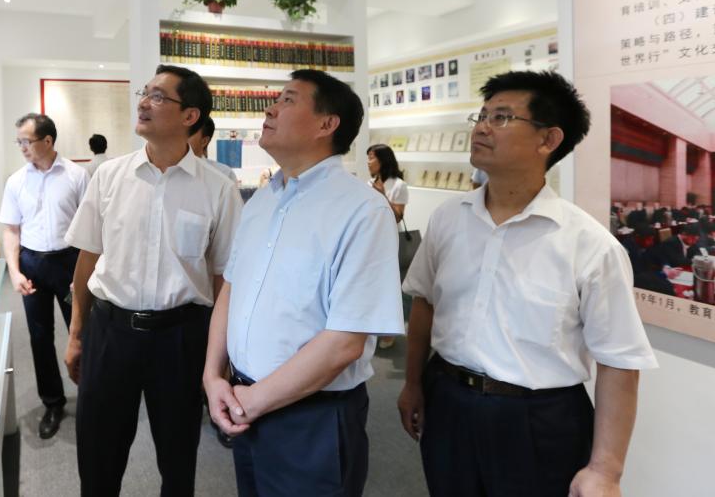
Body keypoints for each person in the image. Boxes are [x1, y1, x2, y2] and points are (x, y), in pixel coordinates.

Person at [399, 70, 657, 497]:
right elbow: (424, 302)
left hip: (538, 420)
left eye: (501, 117)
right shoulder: (448, 219)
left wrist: (606, 470)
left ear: (548, 140)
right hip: (447, 401)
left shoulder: (589, 245)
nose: (482, 128)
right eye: (481, 116)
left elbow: (619, 361)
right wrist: (412, 383)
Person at [204, 70, 403, 497]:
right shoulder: (262, 200)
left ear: (327, 124)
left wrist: (251, 401)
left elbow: (344, 342)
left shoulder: (363, 211)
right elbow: (231, 290)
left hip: (312, 417)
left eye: (288, 100)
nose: (270, 108)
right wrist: (212, 377)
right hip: (243, 399)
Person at [64, 65, 242, 497]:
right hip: (111, 331)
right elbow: (87, 260)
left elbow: (225, 279)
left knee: (178, 459)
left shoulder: (218, 189)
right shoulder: (109, 176)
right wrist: (76, 334)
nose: (143, 102)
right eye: (144, 93)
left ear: (190, 116)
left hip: (181, 338)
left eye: (158, 96)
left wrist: (220, 359)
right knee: (98, 457)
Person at [0, 113, 89, 439]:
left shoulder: (77, 176)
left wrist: (83, 272)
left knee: (82, 332)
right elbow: (11, 230)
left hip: (69, 263)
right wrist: (14, 271)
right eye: (19, 142)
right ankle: (52, 402)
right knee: (39, 337)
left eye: (27, 141)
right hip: (32, 264)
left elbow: (91, 228)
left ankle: (90, 399)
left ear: (48, 141)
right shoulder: (16, 181)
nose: (22, 147)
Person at [367, 143, 410, 349]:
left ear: (383, 160)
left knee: (391, 287)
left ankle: (389, 333)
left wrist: (382, 195)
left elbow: (398, 217)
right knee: (372, 286)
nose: (368, 162)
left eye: (371, 157)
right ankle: (373, 329)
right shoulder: (369, 183)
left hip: (391, 241)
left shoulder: (399, 185)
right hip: (371, 240)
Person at [188, 116, 238, 183]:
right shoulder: (173, 170)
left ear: (204, 141)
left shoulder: (224, 174)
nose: (181, 137)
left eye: (189, 134)